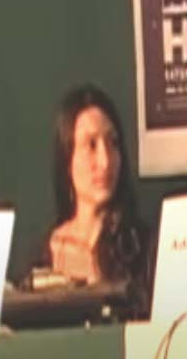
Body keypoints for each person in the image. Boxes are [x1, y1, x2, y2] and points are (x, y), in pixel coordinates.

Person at [33, 85, 153, 314]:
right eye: (91, 145)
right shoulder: (44, 255)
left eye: (113, 143)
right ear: (67, 159)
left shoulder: (143, 248)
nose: (105, 161)